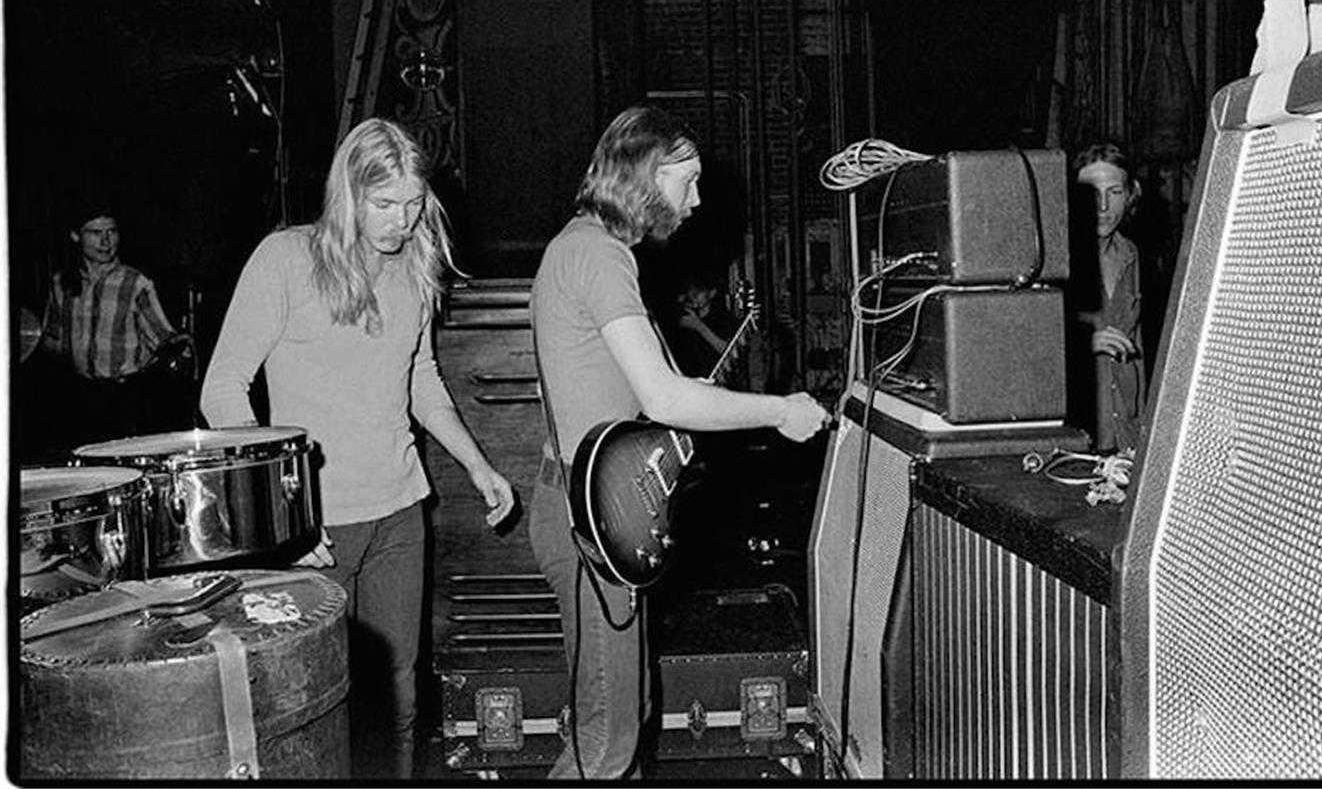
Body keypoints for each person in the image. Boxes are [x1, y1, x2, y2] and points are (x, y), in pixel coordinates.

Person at [199, 117, 514, 779]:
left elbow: (420, 380)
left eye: (412, 203)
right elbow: (223, 389)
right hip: (316, 530)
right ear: (348, 193)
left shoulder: (414, 271)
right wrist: (285, 508)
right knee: (314, 707)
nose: (402, 221)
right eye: (384, 205)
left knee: (397, 697)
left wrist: (477, 463)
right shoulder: (285, 259)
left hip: (400, 512)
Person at [528, 104, 830, 779]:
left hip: (592, 510)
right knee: (604, 745)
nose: (695, 200)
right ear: (643, 174)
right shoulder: (598, 256)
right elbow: (666, 398)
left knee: (619, 730)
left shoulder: (585, 249)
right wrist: (779, 409)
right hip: (589, 522)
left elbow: (636, 400)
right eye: (685, 180)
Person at [40, 204, 184, 445]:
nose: (106, 241)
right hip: (79, 397)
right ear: (76, 236)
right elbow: (51, 339)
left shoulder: (136, 283)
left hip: (124, 400)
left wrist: (179, 350)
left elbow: (164, 340)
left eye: (112, 232)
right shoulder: (61, 283)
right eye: (96, 233)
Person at [1073, 143, 1145, 454]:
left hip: (1125, 435)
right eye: (1091, 192)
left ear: (1131, 195)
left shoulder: (1130, 254)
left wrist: (1143, 429)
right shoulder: (1055, 259)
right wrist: (1083, 343)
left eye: (1114, 192)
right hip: (1078, 437)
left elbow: (1137, 345)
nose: (1102, 206)